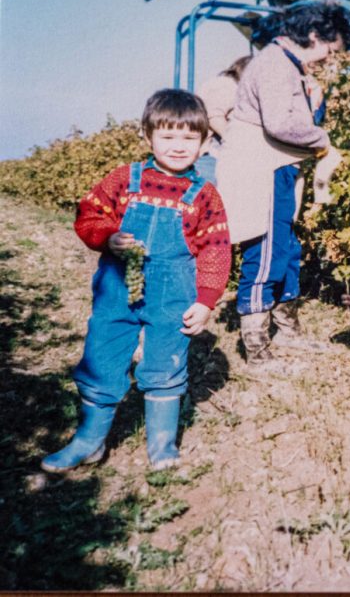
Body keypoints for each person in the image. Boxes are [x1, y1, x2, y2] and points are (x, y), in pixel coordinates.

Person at [41, 89, 231, 473]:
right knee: (103, 355)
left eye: (189, 137)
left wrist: (205, 300)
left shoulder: (204, 195)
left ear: (204, 141)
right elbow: (89, 213)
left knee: (165, 362)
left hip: (173, 295)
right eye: (168, 136)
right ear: (147, 136)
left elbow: (216, 247)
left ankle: (162, 445)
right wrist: (107, 236)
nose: (178, 146)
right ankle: (89, 441)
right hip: (117, 289)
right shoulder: (124, 179)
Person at [215, 1, 350, 370]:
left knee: (287, 248)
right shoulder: (275, 64)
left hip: (280, 166)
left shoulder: (288, 66)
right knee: (266, 250)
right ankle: (256, 348)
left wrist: (315, 106)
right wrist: (323, 140)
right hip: (264, 167)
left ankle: (287, 329)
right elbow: (279, 124)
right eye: (330, 49)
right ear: (313, 36)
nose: (328, 58)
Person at [194, 55, 252, 184]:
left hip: (214, 156)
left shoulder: (227, 85)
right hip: (210, 157)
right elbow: (214, 116)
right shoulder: (227, 85)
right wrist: (239, 143)